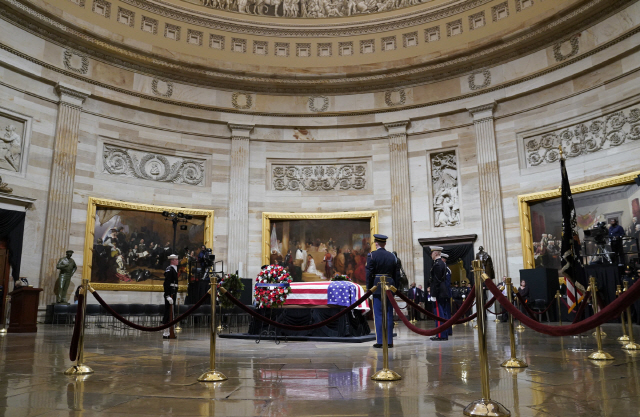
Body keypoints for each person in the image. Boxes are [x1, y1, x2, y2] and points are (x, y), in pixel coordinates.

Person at [366, 234, 397, 349]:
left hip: (377, 286)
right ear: (385, 243)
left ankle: (380, 341)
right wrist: (395, 289)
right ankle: (389, 341)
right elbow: (396, 274)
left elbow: (369, 274)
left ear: (376, 243)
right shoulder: (392, 256)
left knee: (378, 315)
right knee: (389, 314)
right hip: (390, 285)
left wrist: (369, 289)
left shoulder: (372, 255)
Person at [427, 246, 450, 341]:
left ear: (435, 253)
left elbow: (436, 281)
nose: (431, 255)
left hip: (438, 291)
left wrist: (433, 294)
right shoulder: (442, 263)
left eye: (432, 253)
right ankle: (443, 334)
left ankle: (441, 335)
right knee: (441, 313)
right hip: (442, 290)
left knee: (439, 314)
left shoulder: (437, 264)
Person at [162, 254, 179, 339]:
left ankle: (170, 331)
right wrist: (167, 295)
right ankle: (165, 332)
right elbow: (166, 283)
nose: (177, 261)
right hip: (170, 294)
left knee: (171, 312)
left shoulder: (174, 269)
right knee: (168, 312)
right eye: (176, 259)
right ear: (172, 260)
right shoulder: (169, 269)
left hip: (173, 293)